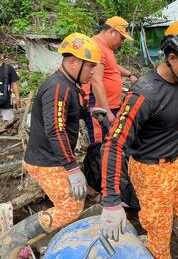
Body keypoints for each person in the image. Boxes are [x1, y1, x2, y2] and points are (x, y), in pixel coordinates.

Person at [99, 20, 178, 258]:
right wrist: (111, 201)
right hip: (152, 171)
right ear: (173, 58)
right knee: (159, 236)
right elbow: (113, 144)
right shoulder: (144, 94)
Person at [0, 33, 100, 258]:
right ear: (74, 62)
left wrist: (90, 112)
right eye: (90, 66)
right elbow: (56, 130)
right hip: (46, 161)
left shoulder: (68, 84)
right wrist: (72, 169)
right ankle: (14, 239)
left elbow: (69, 113)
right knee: (71, 208)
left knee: (75, 199)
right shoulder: (58, 88)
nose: (93, 71)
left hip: (52, 157)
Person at [83, 16, 137, 144]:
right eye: (121, 38)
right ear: (112, 31)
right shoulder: (96, 46)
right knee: (100, 144)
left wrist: (129, 74)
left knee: (109, 142)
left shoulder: (106, 47)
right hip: (100, 108)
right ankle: (98, 164)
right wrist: (106, 112)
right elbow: (96, 81)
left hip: (109, 105)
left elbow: (112, 66)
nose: (122, 42)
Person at [0, 47, 20, 122]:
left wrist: (17, 97)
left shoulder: (8, 68)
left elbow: (14, 83)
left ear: (1, 55)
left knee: (8, 124)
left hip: (7, 101)